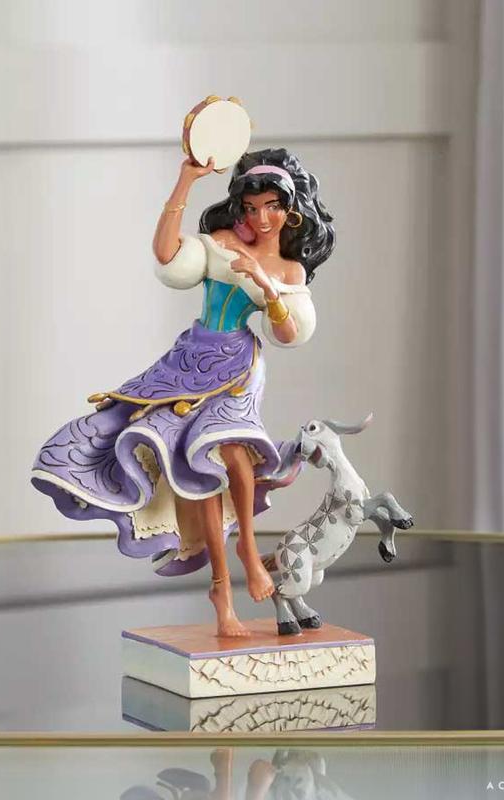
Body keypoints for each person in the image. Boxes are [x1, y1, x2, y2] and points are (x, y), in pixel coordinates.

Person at [31, 148, 335, 636]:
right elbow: (167, 255)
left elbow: (289, 332)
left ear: (290, 210)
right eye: (252, 207)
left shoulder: (288, 269)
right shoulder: (221, 243)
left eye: (272, 207)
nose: (261, 218)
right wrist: (185, 180)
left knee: (233, 453)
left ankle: (248, 547)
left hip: (239, 364)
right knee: (196, 468)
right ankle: (221, 590)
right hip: (191, 358)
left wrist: (267, 287)